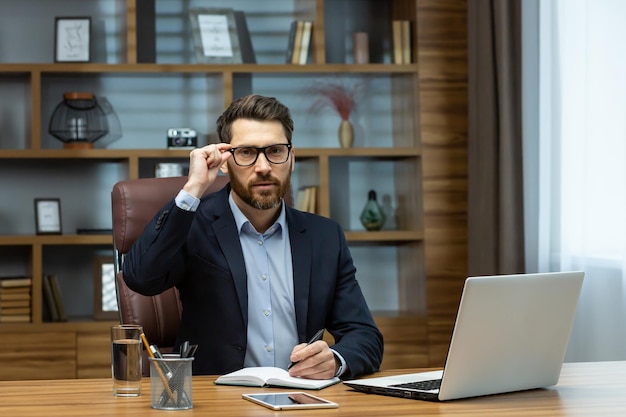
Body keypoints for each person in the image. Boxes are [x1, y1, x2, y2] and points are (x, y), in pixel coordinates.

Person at [123, 94, 383, 380]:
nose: (263, 167)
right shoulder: (194, 224)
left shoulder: (325, 237)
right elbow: (140, 277)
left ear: (291, 157)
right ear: (225, 161)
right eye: (246, 152)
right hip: (216, 401)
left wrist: (335, 360)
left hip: (299, 398)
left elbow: (365, 335)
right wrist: (193, 187)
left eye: (275, 150)